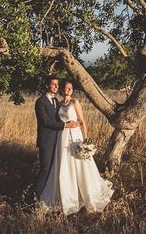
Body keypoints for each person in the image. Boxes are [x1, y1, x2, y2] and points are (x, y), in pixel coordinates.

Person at [39, 81, 114, 215]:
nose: (68, 90)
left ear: (72, 90)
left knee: (80, 164)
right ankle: (65, 196)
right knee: (64, 164)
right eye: (65, 88)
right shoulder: (59, 104)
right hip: (62, 137)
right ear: (62, 90)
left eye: (70, 88)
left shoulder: (75, 102)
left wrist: (86, 140)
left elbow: (82, 121)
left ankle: (86, 194)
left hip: (75, 136)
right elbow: (54, 121)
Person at [34, 77, 78, 201]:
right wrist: (65, 125)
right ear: (47, 85)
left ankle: (51, 195)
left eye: (57, 84)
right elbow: (45, 121)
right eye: (53, 84)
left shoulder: (56, 101)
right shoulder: (40, 102)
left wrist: (70, 122)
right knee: (46, 167)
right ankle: (36, 195)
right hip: (47, 140)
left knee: (56, 168)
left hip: (59, 140)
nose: (56, 87)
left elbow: (59, 118)